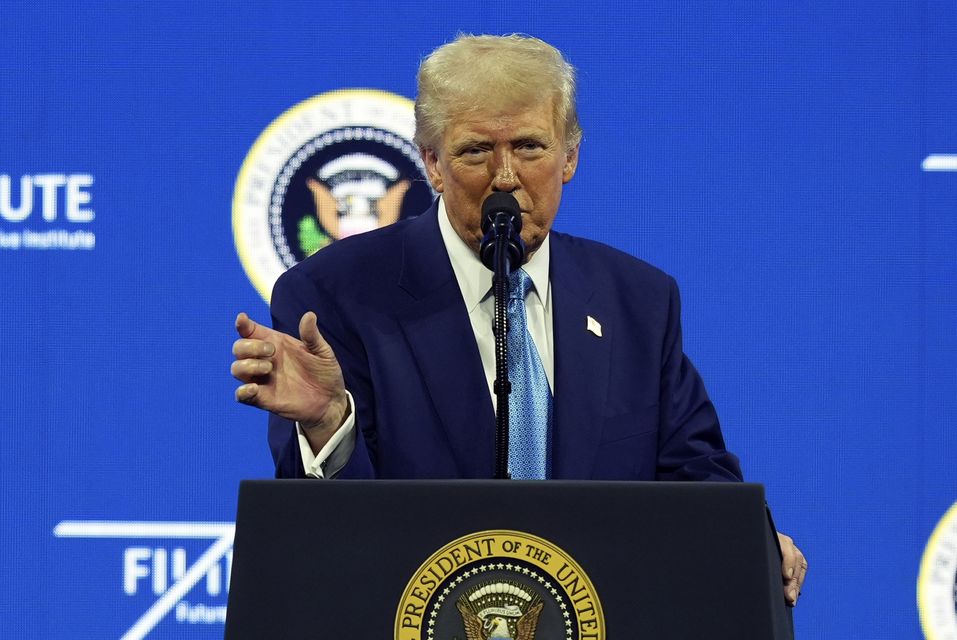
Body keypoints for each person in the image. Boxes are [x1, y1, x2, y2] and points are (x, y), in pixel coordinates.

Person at [230, 33, 807, 605]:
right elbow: (327, 541)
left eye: (530, 147)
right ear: (432, 162)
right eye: (476, 150)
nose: (505, 176)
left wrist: (749, 539)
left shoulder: (638, 301)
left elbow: (698, 474)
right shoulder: (335, 295)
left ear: (571, 157)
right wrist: (332, 423)